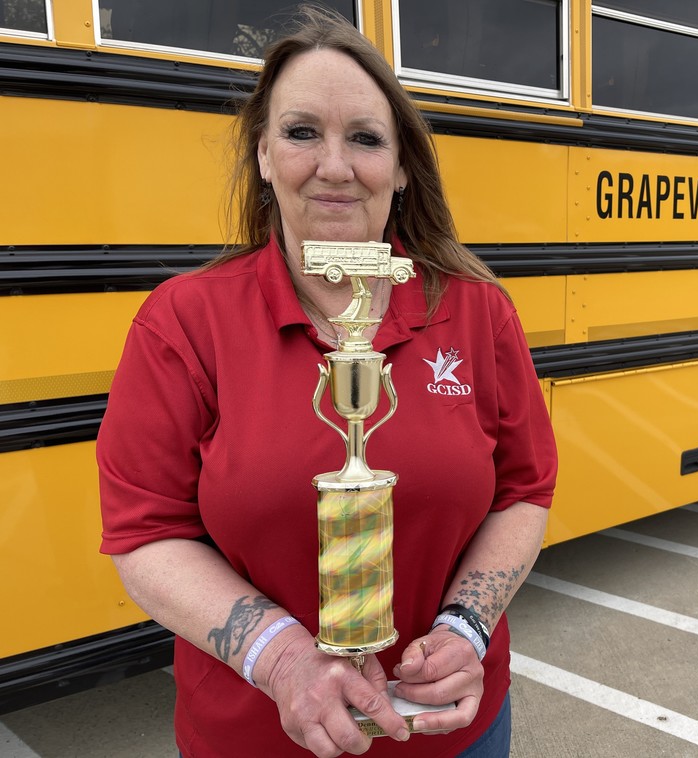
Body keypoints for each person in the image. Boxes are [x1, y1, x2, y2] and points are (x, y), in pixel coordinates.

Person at [96, 6, 558, 757]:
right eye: (302, 132)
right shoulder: (184, 321)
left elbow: (525, 489)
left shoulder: (478, 312)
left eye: (366, 139)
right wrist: (282, 659)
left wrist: (465, 627)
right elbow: (145, 530)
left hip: (450, 732)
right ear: (264, 155)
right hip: (252, 739)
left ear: (404, 167)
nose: (335, 166)